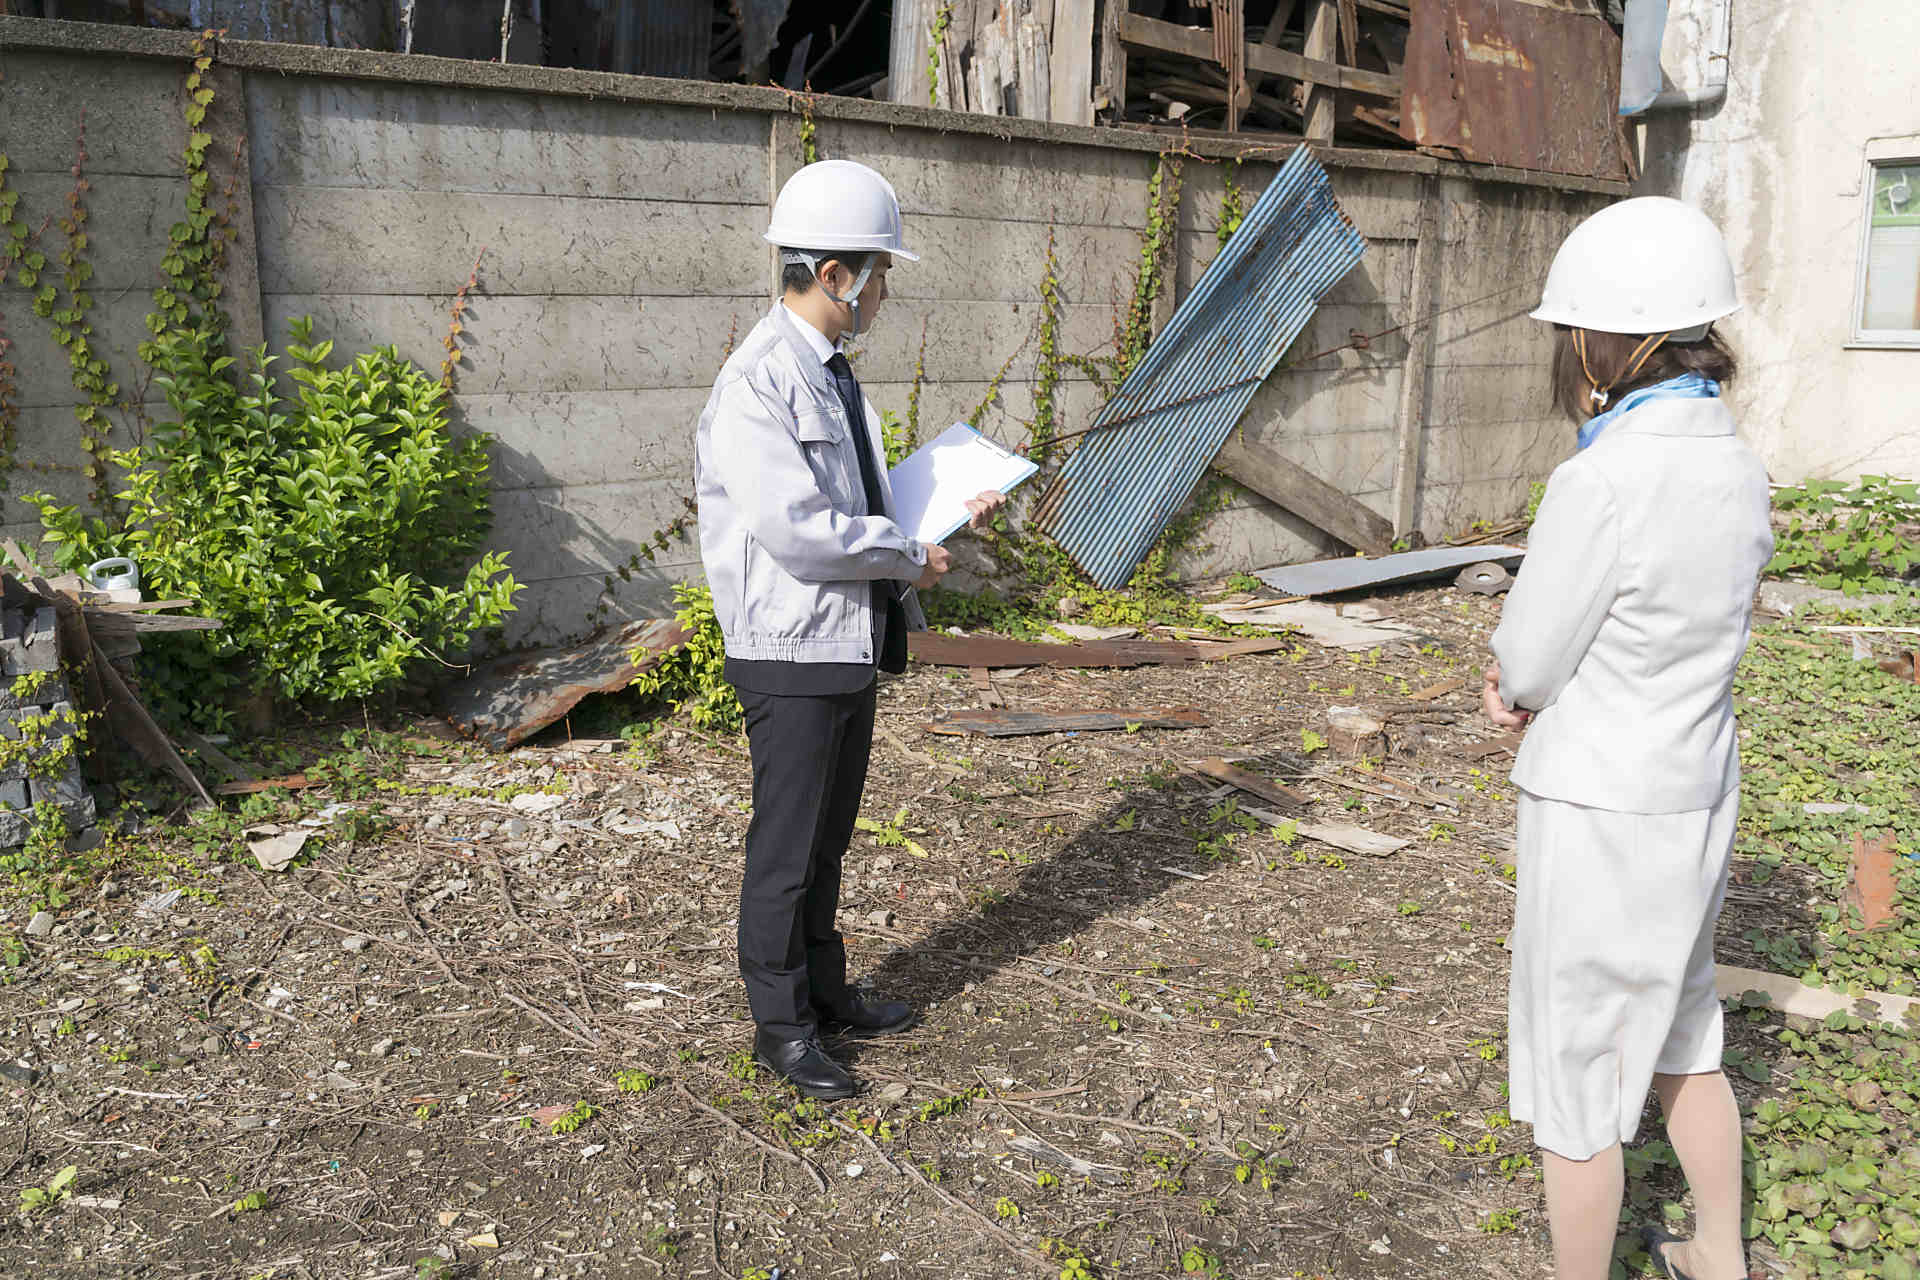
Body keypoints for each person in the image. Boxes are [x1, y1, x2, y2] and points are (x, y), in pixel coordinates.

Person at [1481, 197, 1773, 1280]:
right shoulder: (1739, 464)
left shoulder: (1599, 477)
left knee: (1579, 1068)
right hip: (1697, 784)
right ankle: (1719, 1251)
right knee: (1685, 1028)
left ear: (1613, 339)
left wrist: (1507, 687)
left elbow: (1533, 657)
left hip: (1604, 803)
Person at [693, 159, 1007, 1099]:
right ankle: (780, 1026)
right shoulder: (758, 384)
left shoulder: (830, 378)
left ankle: (826, 993)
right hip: (790, 653)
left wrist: (938, 514)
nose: (885, 290)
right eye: (879, 270)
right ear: (833, 275)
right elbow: (799, 529)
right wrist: (909, 550)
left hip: (844, 641)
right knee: (785, 850)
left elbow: (858, 499)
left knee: (827, 841)